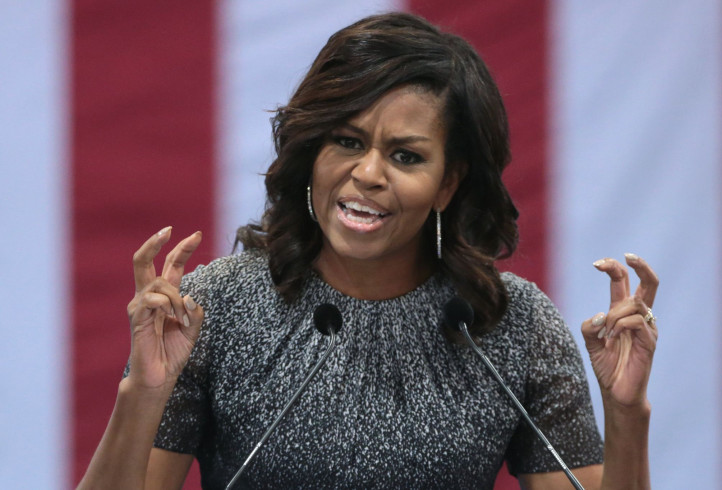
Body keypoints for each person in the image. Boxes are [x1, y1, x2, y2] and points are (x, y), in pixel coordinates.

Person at [78, 12, 658, 490]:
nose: (367, 173)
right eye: (347, 142)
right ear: (312, 151)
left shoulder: (510, 323)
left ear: (448, 185)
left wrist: (627, 415)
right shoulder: (217, 307)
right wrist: (143, 394)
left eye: (405, 156)